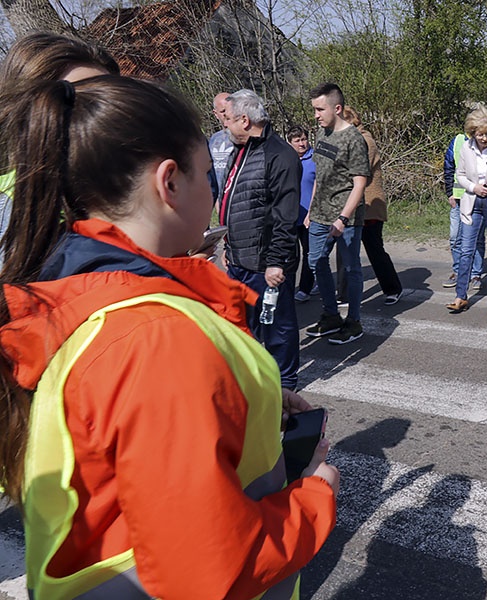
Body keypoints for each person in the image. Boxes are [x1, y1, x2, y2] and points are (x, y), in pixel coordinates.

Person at [0, 75, 338, 599]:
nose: (216, 189)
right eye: (208, 174)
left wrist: (259, 406)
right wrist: (316, 493)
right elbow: (210, 570)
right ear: (169, 183)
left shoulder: (86, 292)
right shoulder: (157, 337)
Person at [0, 32, 119, 268]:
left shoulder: (115, 185)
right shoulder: (14, 217)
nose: (105, 115)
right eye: (81, 103)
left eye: (113, 97)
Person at [219, 89, 301, 389]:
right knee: (245, 325)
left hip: (266, 263)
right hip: (239, 259)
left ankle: (285, 384)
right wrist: (228, 246)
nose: (224, 125)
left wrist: (276, 262)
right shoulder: (240, 150)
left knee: (278, 327)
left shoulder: (280, 155)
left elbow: (285, 214)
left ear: (244, 120)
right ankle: (255, 378)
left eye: (227, 119)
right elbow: (233, 201)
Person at [305, 82, 370, 344]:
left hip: (346, 217)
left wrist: (343, 218)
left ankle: (353, 322)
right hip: (319, 213)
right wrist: (311, 209)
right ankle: (331, 315)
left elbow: (360, 183)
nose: (316, 115)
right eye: (314, 110)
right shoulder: (322, 133)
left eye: (320, 109)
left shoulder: (354, 139)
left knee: (352, 268)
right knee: (315, 261)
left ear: (338, 108)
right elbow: (319, 175)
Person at [446, 105, 487, 313]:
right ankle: (460, 296)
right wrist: (473, 187)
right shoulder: (466, 148)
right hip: (472, 202)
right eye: (480, 134)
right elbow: (460, 174)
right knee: (466, 250)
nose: (483, 138)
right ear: (473, 133)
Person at [342, 106, 404, 304]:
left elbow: (358, 170)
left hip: (369, 204)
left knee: (374, 249)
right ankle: (344, 293)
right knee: (345, 251)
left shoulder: (365, 140)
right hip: (349, 204)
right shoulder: (344, 140)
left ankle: (392, 288)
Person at [442, 133, 486, 289]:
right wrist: (450, 193)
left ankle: (475, 274)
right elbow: (448, 166)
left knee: (478, 239)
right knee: (455, 237)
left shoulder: (486, 140)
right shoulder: (458, 141)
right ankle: (458, 271)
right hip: (459, 197)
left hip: (478, 198)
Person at [288, 126, 317, 302]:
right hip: (293, 215)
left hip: (310, 215)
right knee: (293, 254)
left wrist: (312, 212)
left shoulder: (314, 158)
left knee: (310, 252)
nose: (302, 143)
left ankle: (305, 288)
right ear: (290, 143)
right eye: (297, 140)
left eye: (304, 139)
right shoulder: (288, 159)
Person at [209, 92, 235, 198]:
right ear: (216, 114)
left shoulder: (243, 138)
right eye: (223, 111)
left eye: (230, 109)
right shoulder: (214, 140)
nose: (227, 114)